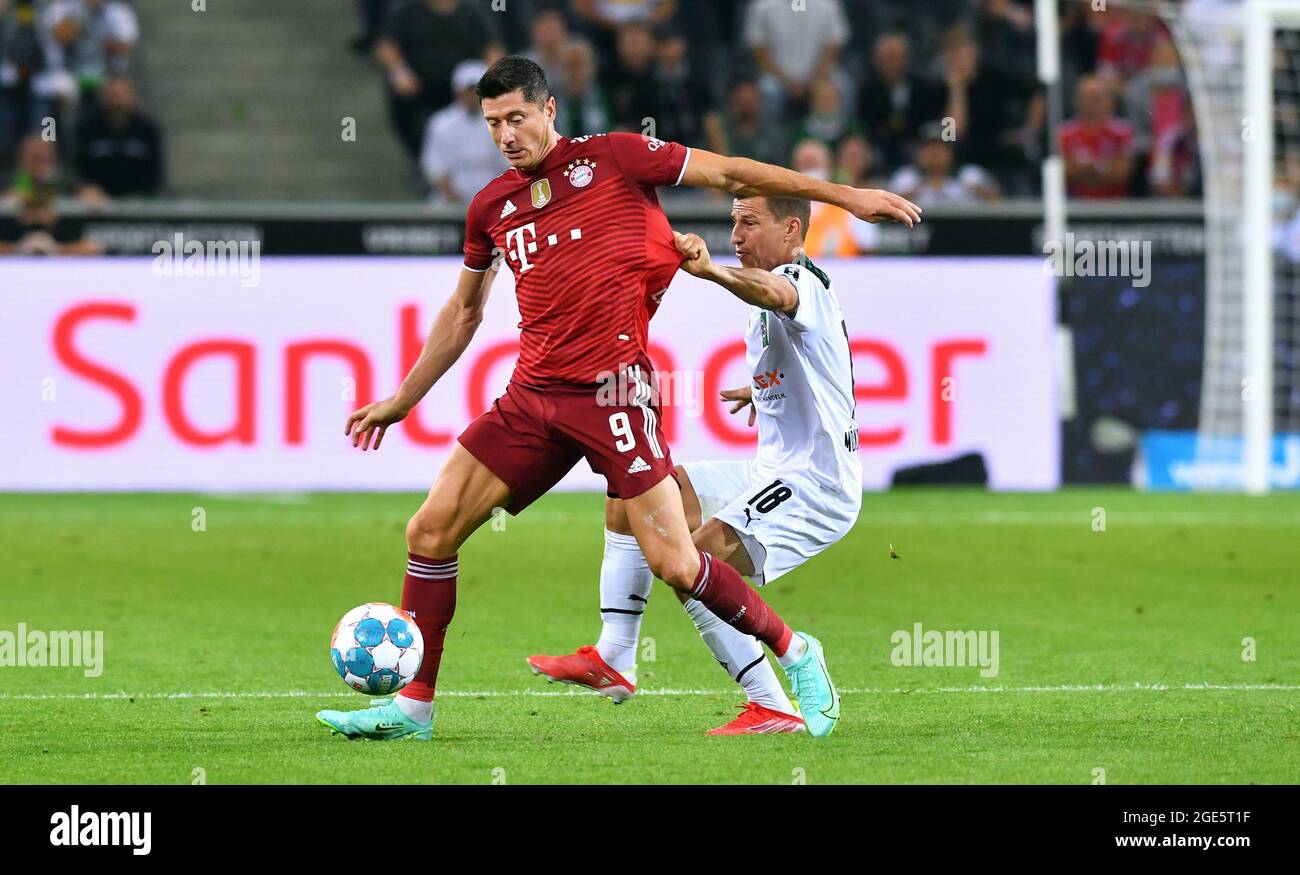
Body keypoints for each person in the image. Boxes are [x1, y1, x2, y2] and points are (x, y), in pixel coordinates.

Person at [315, 56, 919, 742]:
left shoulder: (619, 159)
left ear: (549, 110)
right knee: (429, 529)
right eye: (492, 125)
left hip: (614, 395)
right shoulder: (491, 207)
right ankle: (413, 709)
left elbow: (731, 174)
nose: (507, 135)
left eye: (517, 118)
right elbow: (463, 312)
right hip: (533, 395)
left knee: (680, 563)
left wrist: (844, 194)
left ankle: (795, 652)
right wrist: (402, 397)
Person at [527, 195, 863, 735]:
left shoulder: (804, 281)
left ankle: (772, 700)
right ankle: (616, 654)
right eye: (732, 222)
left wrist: (708, 271)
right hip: (771, 468)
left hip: (815, 485)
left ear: (792, 228)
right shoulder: (776, 297)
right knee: (634, 490)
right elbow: (822, 364)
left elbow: (779, 293)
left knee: (693, 561)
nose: (736, 235)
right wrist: (762, 391)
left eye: (749, 223)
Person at [420, 61, 507, 203]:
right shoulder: (440, 124)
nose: (473, 95)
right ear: (458, 91)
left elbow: (507, 167)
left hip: (493, 204)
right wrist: (457, 203)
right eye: (469, 90)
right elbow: (435, 169)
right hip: (450, 205)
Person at [74, 75, 163, 198]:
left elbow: (156, 169)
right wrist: (85, 187)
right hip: (96, 203)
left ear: (132, 97)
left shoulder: (147, 130)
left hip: (138, 202)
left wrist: (143, 195)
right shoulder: (87, 129)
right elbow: (77, 165)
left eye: (121, 96)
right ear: (104, 98)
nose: (117, 102)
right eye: (113, 95)